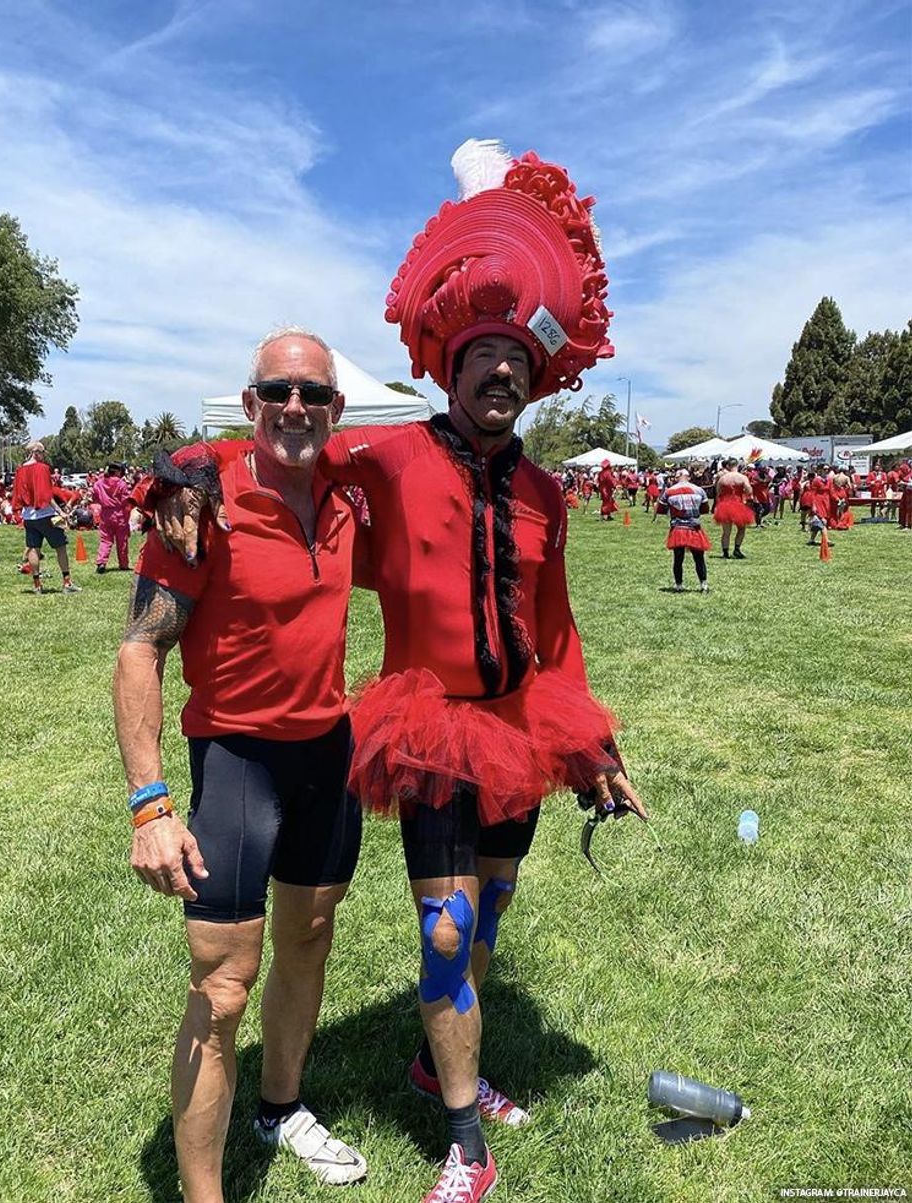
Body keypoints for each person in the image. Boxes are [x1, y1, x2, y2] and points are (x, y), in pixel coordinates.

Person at [149, 141, 647, 1203]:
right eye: (483, 361)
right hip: (428, 727)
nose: (501, 375)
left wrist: (594, 749)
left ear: (532, 376)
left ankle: (432, 1063)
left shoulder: (548, 496)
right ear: (450, 370)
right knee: (445, 926)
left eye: (518, 362)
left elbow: (556, 633)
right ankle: (467, 1136)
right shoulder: (387, 459)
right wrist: (186, 463)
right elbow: (287, 451)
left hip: (526, 731)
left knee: (492, 912)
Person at [114, 329, 368, 1200]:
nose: (295, 407)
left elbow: (433, 442)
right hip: (236, 763)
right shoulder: (203, 495)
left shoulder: (343, 493)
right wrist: (151, 803)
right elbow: (139, 651)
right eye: (277, 391)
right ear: (252, 402)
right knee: (222, 989)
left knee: (310, 938)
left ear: (337, 409)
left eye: (314, 394)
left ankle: (281, 1103)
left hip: (329, 755)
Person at [11, 441, 81, 594]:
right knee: (60, 546)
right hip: (45, 514)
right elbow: (46, 494)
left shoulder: (20, 470)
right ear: (36, 452)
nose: (44, 456)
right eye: (42, 453)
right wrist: (60, 512)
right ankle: (67, 582)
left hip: (28, 516)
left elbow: (17, 494)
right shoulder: (42, 469)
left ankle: (37, 585)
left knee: (33, 549)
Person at [658, 469, 711, 592]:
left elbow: (661, 509)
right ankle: (703, 585)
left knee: (678, 558)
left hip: (678, 527)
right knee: (699, 558)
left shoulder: (669, 491)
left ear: (679, 477)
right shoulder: (699, 490)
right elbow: (705, 509)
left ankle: (678, 585)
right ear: (689, 477)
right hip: (694, 527)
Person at [92, 461, 132, 573]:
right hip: (119, 514)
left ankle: (101, 562)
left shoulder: (99, 483)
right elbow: (126, 500)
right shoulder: (122, 484)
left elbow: (94, 497)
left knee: (105, 540)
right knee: (122, 541)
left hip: (105, 514)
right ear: (118, 471)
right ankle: (123, 564)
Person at [712, 458, 754, 559]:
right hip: (738, 504)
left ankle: (725, 552)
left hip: (725, 505)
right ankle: (737, 549)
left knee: (726, 531)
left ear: (728, 466)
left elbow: (718, 493)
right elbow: (749, 491)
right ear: (737, 465)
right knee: (741, 528)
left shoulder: (723, 478)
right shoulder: (742, 477)